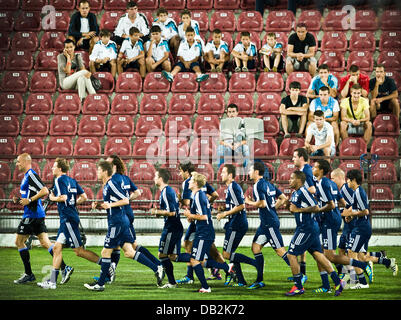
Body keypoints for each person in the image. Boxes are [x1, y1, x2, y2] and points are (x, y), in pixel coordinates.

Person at [84, 161, 164, 291]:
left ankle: (100, 284)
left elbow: (125, 200)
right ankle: (157, 268)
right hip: (119, 221)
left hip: (117, 222)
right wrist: (99, 205)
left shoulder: (111, 184)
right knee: (129, 252)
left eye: (99, 170)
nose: (97, 173)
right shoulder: (106, 185)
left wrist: (109, 205)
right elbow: (112, 203)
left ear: (105, 172)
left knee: (105, 252)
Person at [37, 158, 101, 289]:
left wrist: (52, 198)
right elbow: (84, 197)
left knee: (79, 251)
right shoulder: (72, 181)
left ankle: (106, 265)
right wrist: (73, 204)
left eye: (54, 166)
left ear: (60, 169)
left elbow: (63, 198)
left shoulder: (59, 180)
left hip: (68, 219)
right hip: (67, 219)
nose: (52, 168)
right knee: (56, 248)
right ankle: (52, 282)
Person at [312, 160, 372, 293]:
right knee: (322, 252)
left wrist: (316, 210)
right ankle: (329, 283)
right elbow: (341, 201)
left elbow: (332, 205)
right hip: (332, 220)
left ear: (321, 170)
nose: (312, 168)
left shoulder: (323, 183)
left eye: (315, 167)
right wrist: (347, 213)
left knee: (330, 256)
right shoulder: (331, 184)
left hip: (329, 221)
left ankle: (358, 267)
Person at [12, 153, 72, 285]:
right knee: (45, 242)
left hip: (32, 215)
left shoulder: (31, 174)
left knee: (19, 241)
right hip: (35, 214)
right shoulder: (26, 176)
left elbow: (44, 190)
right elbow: (30, 196)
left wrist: (30, 200)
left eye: (18, 162)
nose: (17, 164)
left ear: (25, 161)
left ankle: (29, 274)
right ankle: (65, 267)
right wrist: (20, 200)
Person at [285, 170, 345, 296]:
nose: (289, 180)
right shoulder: (295, 193)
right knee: (318, 255)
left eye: (291, 178)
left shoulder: (303, 192)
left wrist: (298, 209)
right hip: (308, 228)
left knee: (291, 254)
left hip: (306, 228)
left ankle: (298, 286)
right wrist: (289, 207)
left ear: (299, 180)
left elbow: (316, 207)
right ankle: (337, 281)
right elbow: (296, 210)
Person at [342, 169, 398, 289]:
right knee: (355, 253)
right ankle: (381, 261)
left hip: (361, 228)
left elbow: (365, 211)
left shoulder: (358, 192)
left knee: (352, 253)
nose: (347, 182)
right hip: (361, 227)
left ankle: (362, 282)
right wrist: (351, 215)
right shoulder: (357, 191)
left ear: (353, 180)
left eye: (348, 179)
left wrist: (353, 214)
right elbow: (359, 209)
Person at [182, 172, 235, 293]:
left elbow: (205, 216)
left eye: (190, 181)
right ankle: (227, 267)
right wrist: (191, 217)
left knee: (195, 260)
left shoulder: (199, 196)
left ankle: (206, 287)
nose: (188, 182)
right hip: (203, 231)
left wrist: (190, 215)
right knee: (198, 260)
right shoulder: (197, 195)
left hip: (204, 232)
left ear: (195, 183)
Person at [244, 162, 289, 290]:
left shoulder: (258, 185)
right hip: (266, 223)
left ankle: (299, 274)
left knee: (280, 251)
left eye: (250, 170)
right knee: (255, 248)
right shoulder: (269, 184)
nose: (249, 173)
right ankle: (259, 280)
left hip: (269, 223)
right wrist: (273, 208)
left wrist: (249, 202)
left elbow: (262, 204)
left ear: (257, 172)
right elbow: (283, 198)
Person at [176, 162, 221, 284]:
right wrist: (207, 204)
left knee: (188, 245)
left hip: (200, 222)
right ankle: (220, 271)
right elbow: (215, 195)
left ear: (186, 172)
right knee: (211, 249)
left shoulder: (188, 183)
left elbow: (187, 203)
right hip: (202, 220)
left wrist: (182, 202)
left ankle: (191, 276)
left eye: (180, 171)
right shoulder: (202, 182)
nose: (180, 174)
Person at [216, 164, 257, 287]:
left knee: (227, 254)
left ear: (230, 175)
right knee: (230, 253)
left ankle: (255, 263)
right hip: (235, 223)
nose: (221, 174)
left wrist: (224, 213)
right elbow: (235, 205)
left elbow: (241, 205)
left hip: (236, 223)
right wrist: (225, 208)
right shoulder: (231, 187)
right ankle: (241, 281)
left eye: (223, 172)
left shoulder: (233, 187)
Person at [151, 168, 183, 289]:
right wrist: (159, 213)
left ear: (160, 178)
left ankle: (172, 282)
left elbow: (172, 213)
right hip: (174, 226)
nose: (154, 178)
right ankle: (199, 260)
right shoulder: (168, 191)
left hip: (171, 227)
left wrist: (157, 211)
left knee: (162, 255)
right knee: (173, 256)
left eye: (155, 176)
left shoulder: (166, 192)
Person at [58, 39, 96, 103]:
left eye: (71, 47)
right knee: (85, 73)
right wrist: (68, 58)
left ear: (74, 47)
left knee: (82, 78)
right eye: (67, 47)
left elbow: (82, 69)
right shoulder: (60, 57)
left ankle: (82, 101)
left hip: (75, 84)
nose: (69, 49)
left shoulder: (77, 56)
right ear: (64, 48)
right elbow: (67, 71)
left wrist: (86, 73)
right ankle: (94, 96)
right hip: (65, 83)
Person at [217, 104, 250, 169]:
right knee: (220, 149)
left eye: (233, 112)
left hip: (239, 145)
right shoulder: (223, 123)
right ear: (227, 113)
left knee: (246, 148)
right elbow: (220, 141)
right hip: (227, 145)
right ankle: (221, 170)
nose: (231, 114)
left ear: (237, 113)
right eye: (229, 112)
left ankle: (246, 171)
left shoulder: (242, 123)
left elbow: (247, 140)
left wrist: (238, 144)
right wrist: (228, 145)